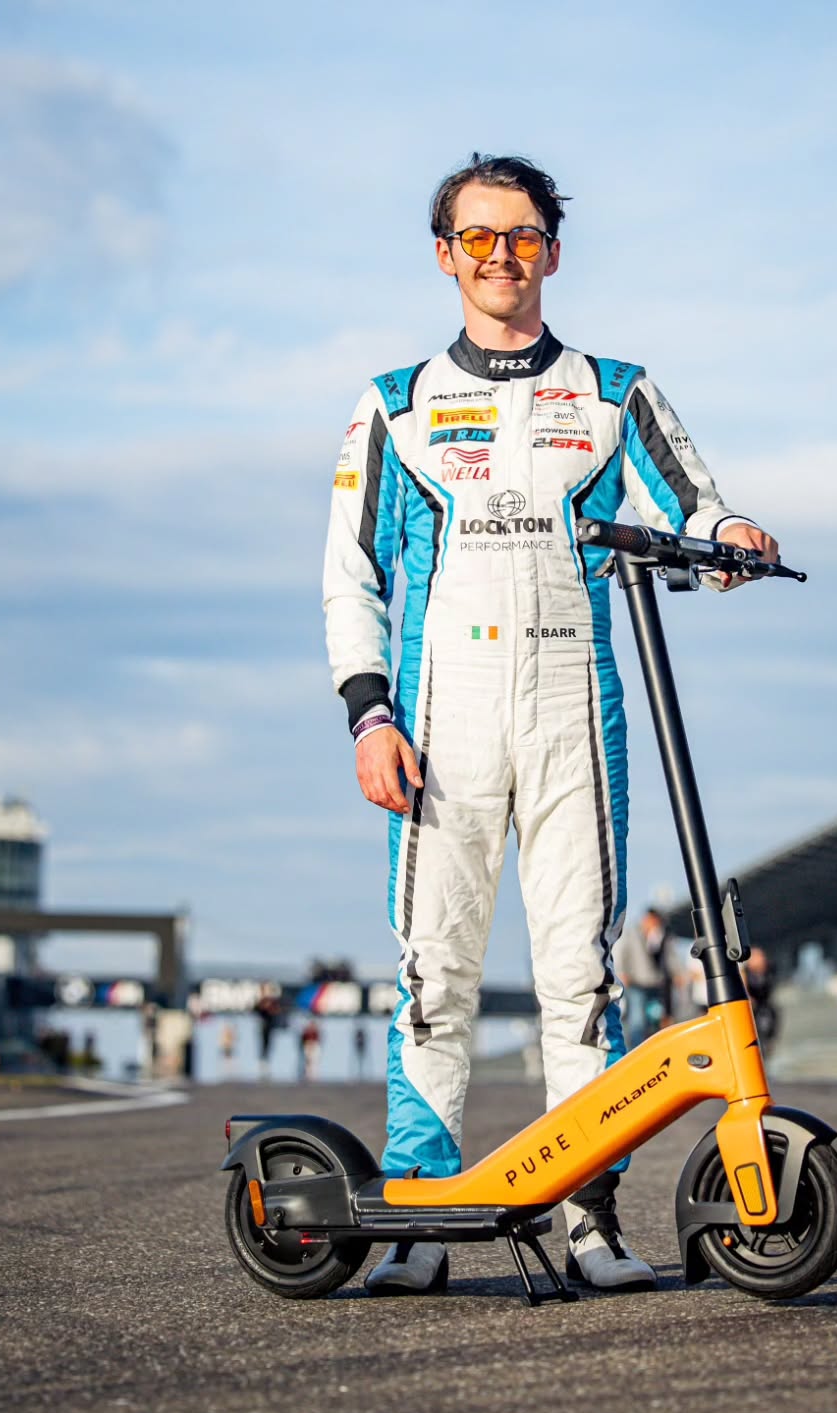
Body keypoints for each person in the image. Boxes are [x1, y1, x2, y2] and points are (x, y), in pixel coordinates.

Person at [323, 153, 781, 1296]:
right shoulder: (395, 403)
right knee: (436, 977)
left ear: (553, 251)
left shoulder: (614, 390)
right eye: (478, 238)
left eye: (521, 236)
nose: (501, 258)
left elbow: (697, 503)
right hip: (439, 722)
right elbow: (349, 576)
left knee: (582, 980)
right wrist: (368, 715)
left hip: (578, 709)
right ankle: (423, 1220)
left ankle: (589, 1222)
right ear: (445, 255)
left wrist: (736, 537)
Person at [613, 907, 673, 1046]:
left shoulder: (658, 937)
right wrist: (622, 972)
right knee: (637, 1020)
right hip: (636, 984)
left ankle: (652, 1046)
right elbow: (621, 951)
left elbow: (663, 958)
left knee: (654, 1018)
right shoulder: (632, 932)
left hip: (653, 984)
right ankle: (635, 1048)